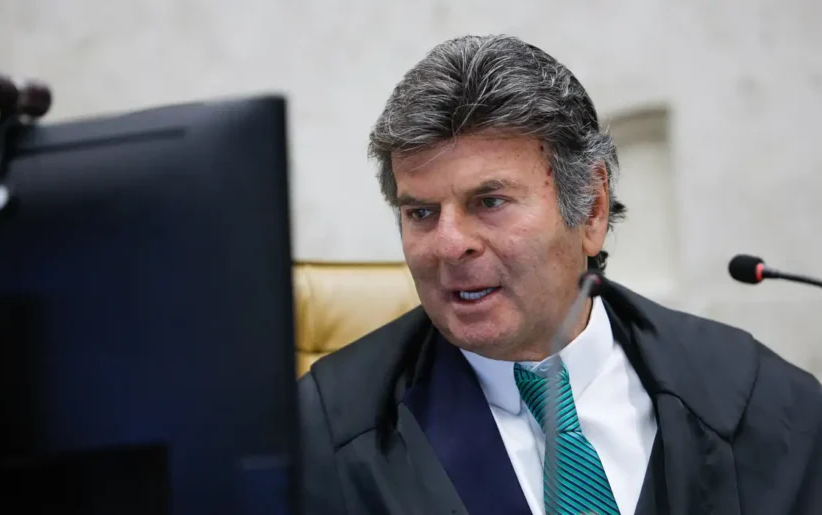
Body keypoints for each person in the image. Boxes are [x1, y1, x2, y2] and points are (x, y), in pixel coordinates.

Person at [297, 35, 822, 515]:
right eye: (421, 213)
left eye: (490, 201)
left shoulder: (761, 403)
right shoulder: (321, 436)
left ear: (591, 209)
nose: (449, 245)